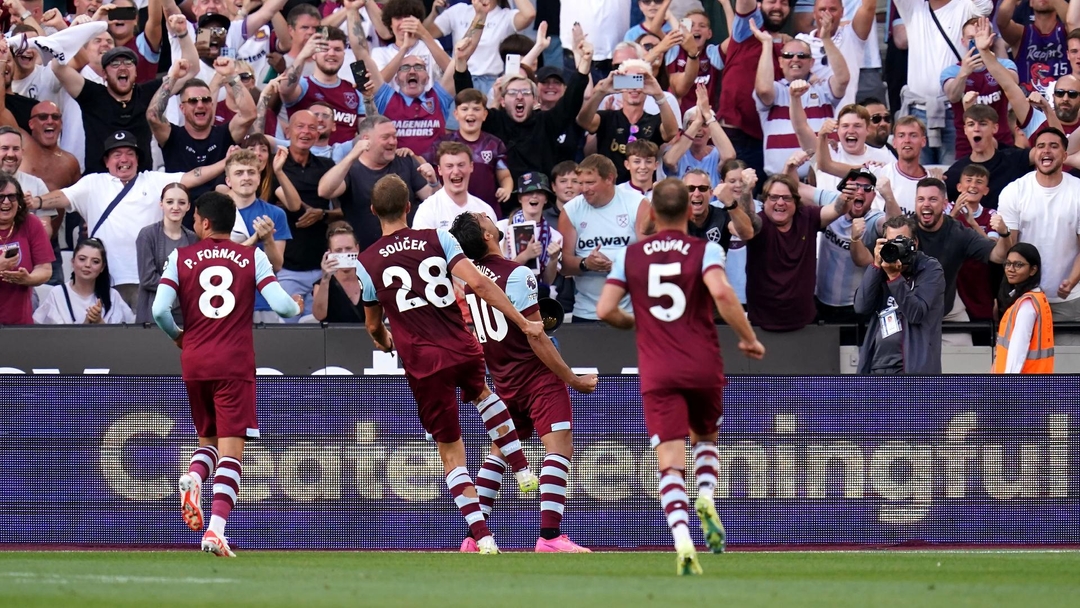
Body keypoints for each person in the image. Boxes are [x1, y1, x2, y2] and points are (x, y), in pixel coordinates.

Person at [355, 174, 543, 555]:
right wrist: (521, 320)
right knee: (483, 393)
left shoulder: (367, 261)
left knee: (451, 453)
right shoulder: (437, 238)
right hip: (461, 345)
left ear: (374, 210)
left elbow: (373, 323)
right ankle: (522, 468)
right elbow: (479, 283)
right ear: (409, 206)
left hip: (422, 363)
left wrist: (384, 340)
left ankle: (483, 537)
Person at [596, 177, 765, 575]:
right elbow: (723, 294)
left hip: (658, 370)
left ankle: (682, 539)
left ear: (652, 215)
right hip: (703, 362)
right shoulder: (706, 250)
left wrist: (634, 322)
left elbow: (604, 310)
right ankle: (706, 493)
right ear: (690, 211)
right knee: (705, 437)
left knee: (670, 463)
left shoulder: (631, 256)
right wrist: (748, 339)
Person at [152, 191, 302, 558]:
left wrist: (179, 337)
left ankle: (194, 477)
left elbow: (159, 310)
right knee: (232, 452)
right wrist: (294, 306)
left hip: (195, 360)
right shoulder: (252, 256)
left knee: (208, 441)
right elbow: (283, 307)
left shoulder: (180, 256)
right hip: (233, 363)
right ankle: (215, 531)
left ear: (203, 221)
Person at [449, 210, 596, 553]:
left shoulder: (474, 279)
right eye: (483, 218)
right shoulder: (516, 274)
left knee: (498, 454)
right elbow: (536, 336)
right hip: (536, 376)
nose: (487, 214)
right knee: (559, 448)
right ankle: (549, 537)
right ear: (487, 235)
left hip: (504, 380)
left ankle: (473, 538)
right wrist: (572, 379)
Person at [31, 130, 226, 310]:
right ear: (106, 161)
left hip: (150, 282)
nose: (124, 159)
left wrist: (225, 162)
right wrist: (36, 201)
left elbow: (192, 177)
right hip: (106, 281)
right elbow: (62, 197)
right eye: (117, 154)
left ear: (138, 159)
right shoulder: (93, 183)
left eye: (130, 153)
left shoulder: (153, 180)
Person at [742, 172, 851, 332]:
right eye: (773, 197)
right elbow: (747, 220)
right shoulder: (760, 223)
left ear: (795, 201)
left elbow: (837, 209)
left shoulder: (807, 217)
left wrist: (846, 195)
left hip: (805, 323)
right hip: (762, 324)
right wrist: (746, 192)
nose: (780, 203)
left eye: (786, 198)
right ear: (764, 201)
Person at [997, 127, 1080, 332]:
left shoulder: (1078, 191)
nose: (1046, 151)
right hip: (1024, 298)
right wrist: (1004, 234)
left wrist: (1071, 281)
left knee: (1067, 363)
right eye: (1040, 146)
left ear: (1064, 155)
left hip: (1069, 300)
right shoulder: (1014, 191)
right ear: (1034, 153)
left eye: (1054, 146)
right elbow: (1011, 249)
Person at [317, 115, 435, 251]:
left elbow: (433, 200)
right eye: (385, 137)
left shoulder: (405, 161)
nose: (393, 142)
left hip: (407, 251)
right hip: (366, 255)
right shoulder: (350, 169)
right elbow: (324, 191)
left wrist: (433, 181)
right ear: (366, 140)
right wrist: (351, 156)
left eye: (394, 136)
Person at [853, 215, 946, 374]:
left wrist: (894, 277)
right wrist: (876, 266)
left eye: (901, 241)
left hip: (912, 369)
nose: (895, 247)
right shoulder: (881, 268)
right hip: (878, 364)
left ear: (914, 243)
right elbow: (861, 307)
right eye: (890, 242)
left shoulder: (929, 269)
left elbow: (916, 313)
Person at [558, 155, 646, 323]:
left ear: (609, 179)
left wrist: (614, 267)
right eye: (580, 183)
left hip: (631, 313)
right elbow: (564, 266)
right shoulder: (571, 210)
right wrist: (586, 263)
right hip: (586, 312)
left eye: (590, 183)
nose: (583, 189)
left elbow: (651, 258)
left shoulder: (637, 203)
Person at [225, 148, 295, 323]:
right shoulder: (216, 213)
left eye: (251, 172)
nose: (246, 177)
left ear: (259, 178)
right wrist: (254, 240)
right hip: (225, 301)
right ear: (228, 180)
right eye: (239, 173)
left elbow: (277, 265)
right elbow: (216, 259)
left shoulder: (276, 214)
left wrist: (268, 240)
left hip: (263, 302)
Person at [577, 64, 678, 185]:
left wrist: (658, 94)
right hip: (610, 191)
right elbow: (583, 121)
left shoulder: (654, 121)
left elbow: (671, 132)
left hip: (643, 193)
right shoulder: (607, 117)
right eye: (628, 81)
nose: (634, 88)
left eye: (639, 81)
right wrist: (601, 92)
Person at [135, 183, 198, 324]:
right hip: (153, 314)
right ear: (161, 204)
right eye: (170, 202)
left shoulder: (193, 238)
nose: (175, 207)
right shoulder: (147, 235)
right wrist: (181, 287)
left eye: (181, 202)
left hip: (185, 313)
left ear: (188, 206)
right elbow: (147, 278)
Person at [34, 237, 133, 324]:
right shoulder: (57, 294)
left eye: (95, 261)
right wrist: (86, 324)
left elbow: (125, 332)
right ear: (73, 262)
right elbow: (42, 331)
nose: (87, 265)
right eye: (82, 259)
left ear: (102, 267)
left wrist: (99, 322)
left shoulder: (112, 295)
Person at [993, 243, 1055, 373]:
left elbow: (1018, 350)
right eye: (1008, 264)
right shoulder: (1037, 298)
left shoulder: (1027, 304)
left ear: (1033, 270)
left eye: (1018, 265)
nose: (1010, 269)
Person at [0, 172, 52, 324]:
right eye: (0, 197)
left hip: (19, 320)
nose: (6, 202)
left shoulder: (31, 223)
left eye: (12, 196)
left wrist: (28, 279)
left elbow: (45, 269)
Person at [497, 172, 563, 291]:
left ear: (546, 198)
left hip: (536, 296)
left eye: (539, 192)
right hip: (506, 293)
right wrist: (525, 256)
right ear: (520, 198)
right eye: (528, 192)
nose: (534, 196)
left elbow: (547, 281)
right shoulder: (502, 227)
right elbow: (498, 272)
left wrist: (553, 259)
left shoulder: (554, 236)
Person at [411, 141, 498, 230]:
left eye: (461, 165)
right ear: (440, 170)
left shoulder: (485, 210)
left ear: (471, 166)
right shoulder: (427, 209)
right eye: (449, 166)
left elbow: (496, 243)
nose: (456, 171)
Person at [312, 222, 363, 324]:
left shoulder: (369, 280)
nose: (344, 254)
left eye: (348, 249)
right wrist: (325, 279)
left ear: (357, 249)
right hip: (334, 337)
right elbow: (319, 315)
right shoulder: (322, 284)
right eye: (338, 250)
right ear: (330, 253)